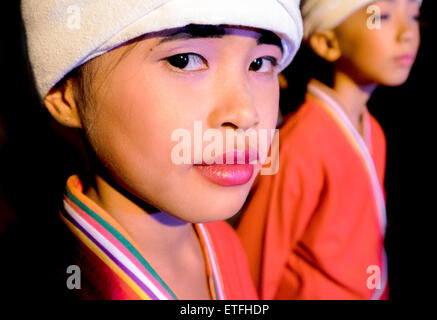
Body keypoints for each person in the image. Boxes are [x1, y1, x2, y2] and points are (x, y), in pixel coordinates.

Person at [20, 0, 302, 300]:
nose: (246, 113)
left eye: (261, 63)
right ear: (66, 96)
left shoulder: (220, 239)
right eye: (184, 60)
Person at [236, 0, 422, 299]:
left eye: (414, 15)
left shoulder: (374, 131)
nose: (408, 33)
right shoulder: (304, 140)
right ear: (327, 42)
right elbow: (257, 256)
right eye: (383, 16)